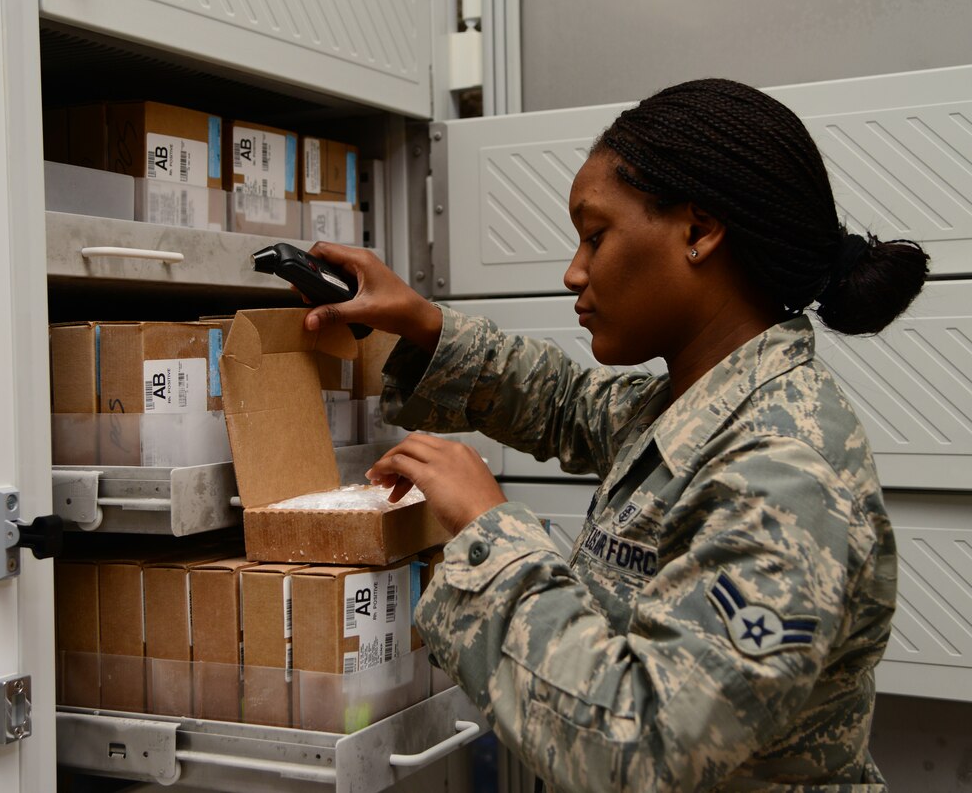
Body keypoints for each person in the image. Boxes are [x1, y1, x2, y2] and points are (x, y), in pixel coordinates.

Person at [301, 78, 929, 791]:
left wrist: (488, 531)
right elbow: (567, 403)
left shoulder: (781, 470)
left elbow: (646, 751)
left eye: (595, 236)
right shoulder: (695, 402)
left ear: (699, 232)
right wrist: (420, 321)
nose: (574, 272)